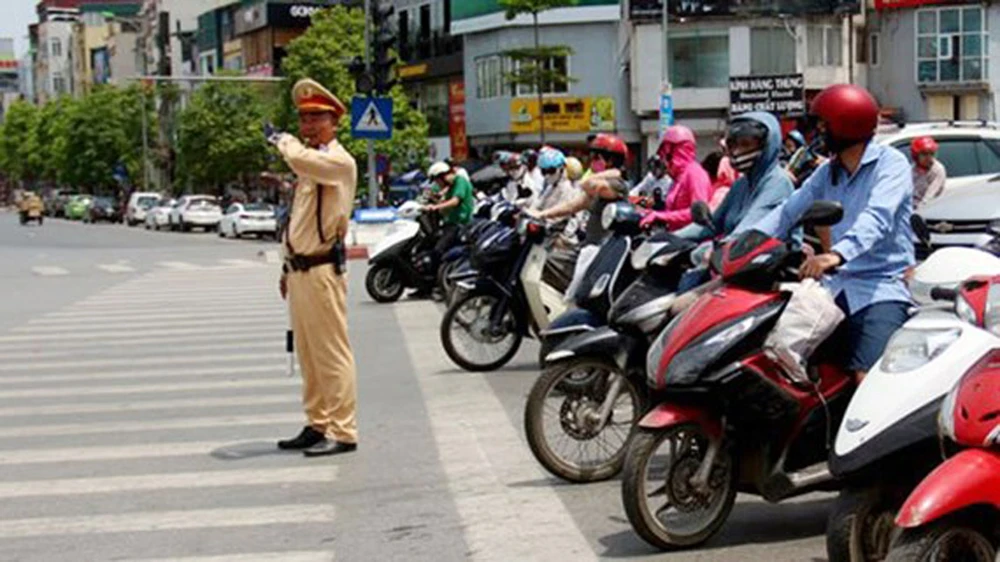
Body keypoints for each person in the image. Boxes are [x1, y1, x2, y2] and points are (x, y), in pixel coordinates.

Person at [755, 84, 914, 381]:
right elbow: (788, 212)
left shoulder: (891, 165)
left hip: (881, 286)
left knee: (866, 379)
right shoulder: (827, 172)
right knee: (773, 356)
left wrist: (836, 255)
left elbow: (876, 218)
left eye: (822, 126)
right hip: (834, 286)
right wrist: (740, 244)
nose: (817, 134)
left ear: (845, 125)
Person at [267, 78, 358, 457]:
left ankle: (343, 430)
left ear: (333, 121)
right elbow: (299, 223)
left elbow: (302, 159)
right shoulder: (310, 167)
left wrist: (282, 140)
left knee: (331, 353)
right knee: (306, 351)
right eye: (303, 120)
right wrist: (286, 268)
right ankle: (317, 422)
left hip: (323, 271)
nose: (308, 127)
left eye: (316, 119)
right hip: (301, 270)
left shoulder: (337, 162)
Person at [674, 112, 797, 290]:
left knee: (678, 307)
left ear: (768, 145)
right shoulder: (741, 184)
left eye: (746, 144)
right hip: (736, 270)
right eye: (734, 145)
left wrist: (719, 249)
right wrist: (670, 239)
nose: (738, 152)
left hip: (766, 275)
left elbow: (750, 230)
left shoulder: (777, 183)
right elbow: (713, 223)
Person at [534, 134, 631, 292]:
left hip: (599, 253)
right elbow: (572, 206)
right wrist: (542, 214)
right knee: (545, 260)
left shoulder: (616, 185)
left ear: (610, 160)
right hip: (585, 248)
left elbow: (586, 183)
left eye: (595, 157)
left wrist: (615, 173)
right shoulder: (600, 184)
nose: (591, 161)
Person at [640, 125, 713, 230]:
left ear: (674, 150)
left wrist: (661, 216)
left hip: (693, 241)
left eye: (665, 150)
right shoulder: (678, 178)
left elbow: (699, 213)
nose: (663, 156)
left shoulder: (695, 174)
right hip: (677, 238)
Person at [425, 160, 475, 271]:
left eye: (436, 180)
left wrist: (436, 207)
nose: (437, 184)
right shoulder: (450, 187)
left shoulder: (460, 181)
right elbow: (444, 204)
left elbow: (455, 201)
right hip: (450, 223)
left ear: (442, 176)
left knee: (438, 250)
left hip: (459, 224)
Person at [530, 147, 579, 213]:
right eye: (544, 171)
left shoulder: (567, 188)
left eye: (551, 171)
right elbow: (539, 204)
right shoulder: (551, 186)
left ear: (561, 169)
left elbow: (560, 215)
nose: (547, 175)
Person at [911, 136, 947, 208]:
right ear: (916, 155)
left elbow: (930, 196)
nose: (928, 157)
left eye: (931, 154)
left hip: (931, 207)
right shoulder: (912, 169)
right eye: (924, 154)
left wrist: (919, 209)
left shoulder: (937, 170)